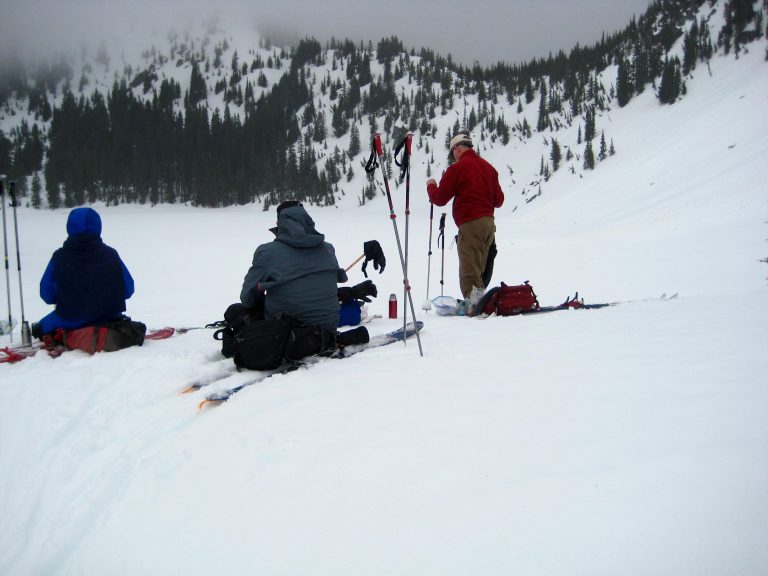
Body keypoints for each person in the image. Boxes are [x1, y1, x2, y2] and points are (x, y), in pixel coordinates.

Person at [236, 201, 383, 357]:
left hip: (285, 331)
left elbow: (248, 298)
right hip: (328, 328)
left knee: (235, 311)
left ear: (279, 222)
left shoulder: (267, 252)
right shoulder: (328, 248)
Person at [33, 207, 135, 338]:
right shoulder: (111, 254)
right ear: (98, 226)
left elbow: (47, 294)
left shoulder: (59, 257)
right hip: (110, 317)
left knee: (39, 328)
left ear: (70, 227)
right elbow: (128, 289)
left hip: (70, 319)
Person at [426, 133, 504, 301]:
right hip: (489, 224)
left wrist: (431, 186)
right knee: (480, 268)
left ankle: (473, 306)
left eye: (453, 152)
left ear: (458, 149)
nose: (453, 157)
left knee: (469, 269)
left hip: (470, 223)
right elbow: (499, 201)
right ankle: (480, 303)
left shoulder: (458, 168)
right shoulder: (489, 168)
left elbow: (439, 198)